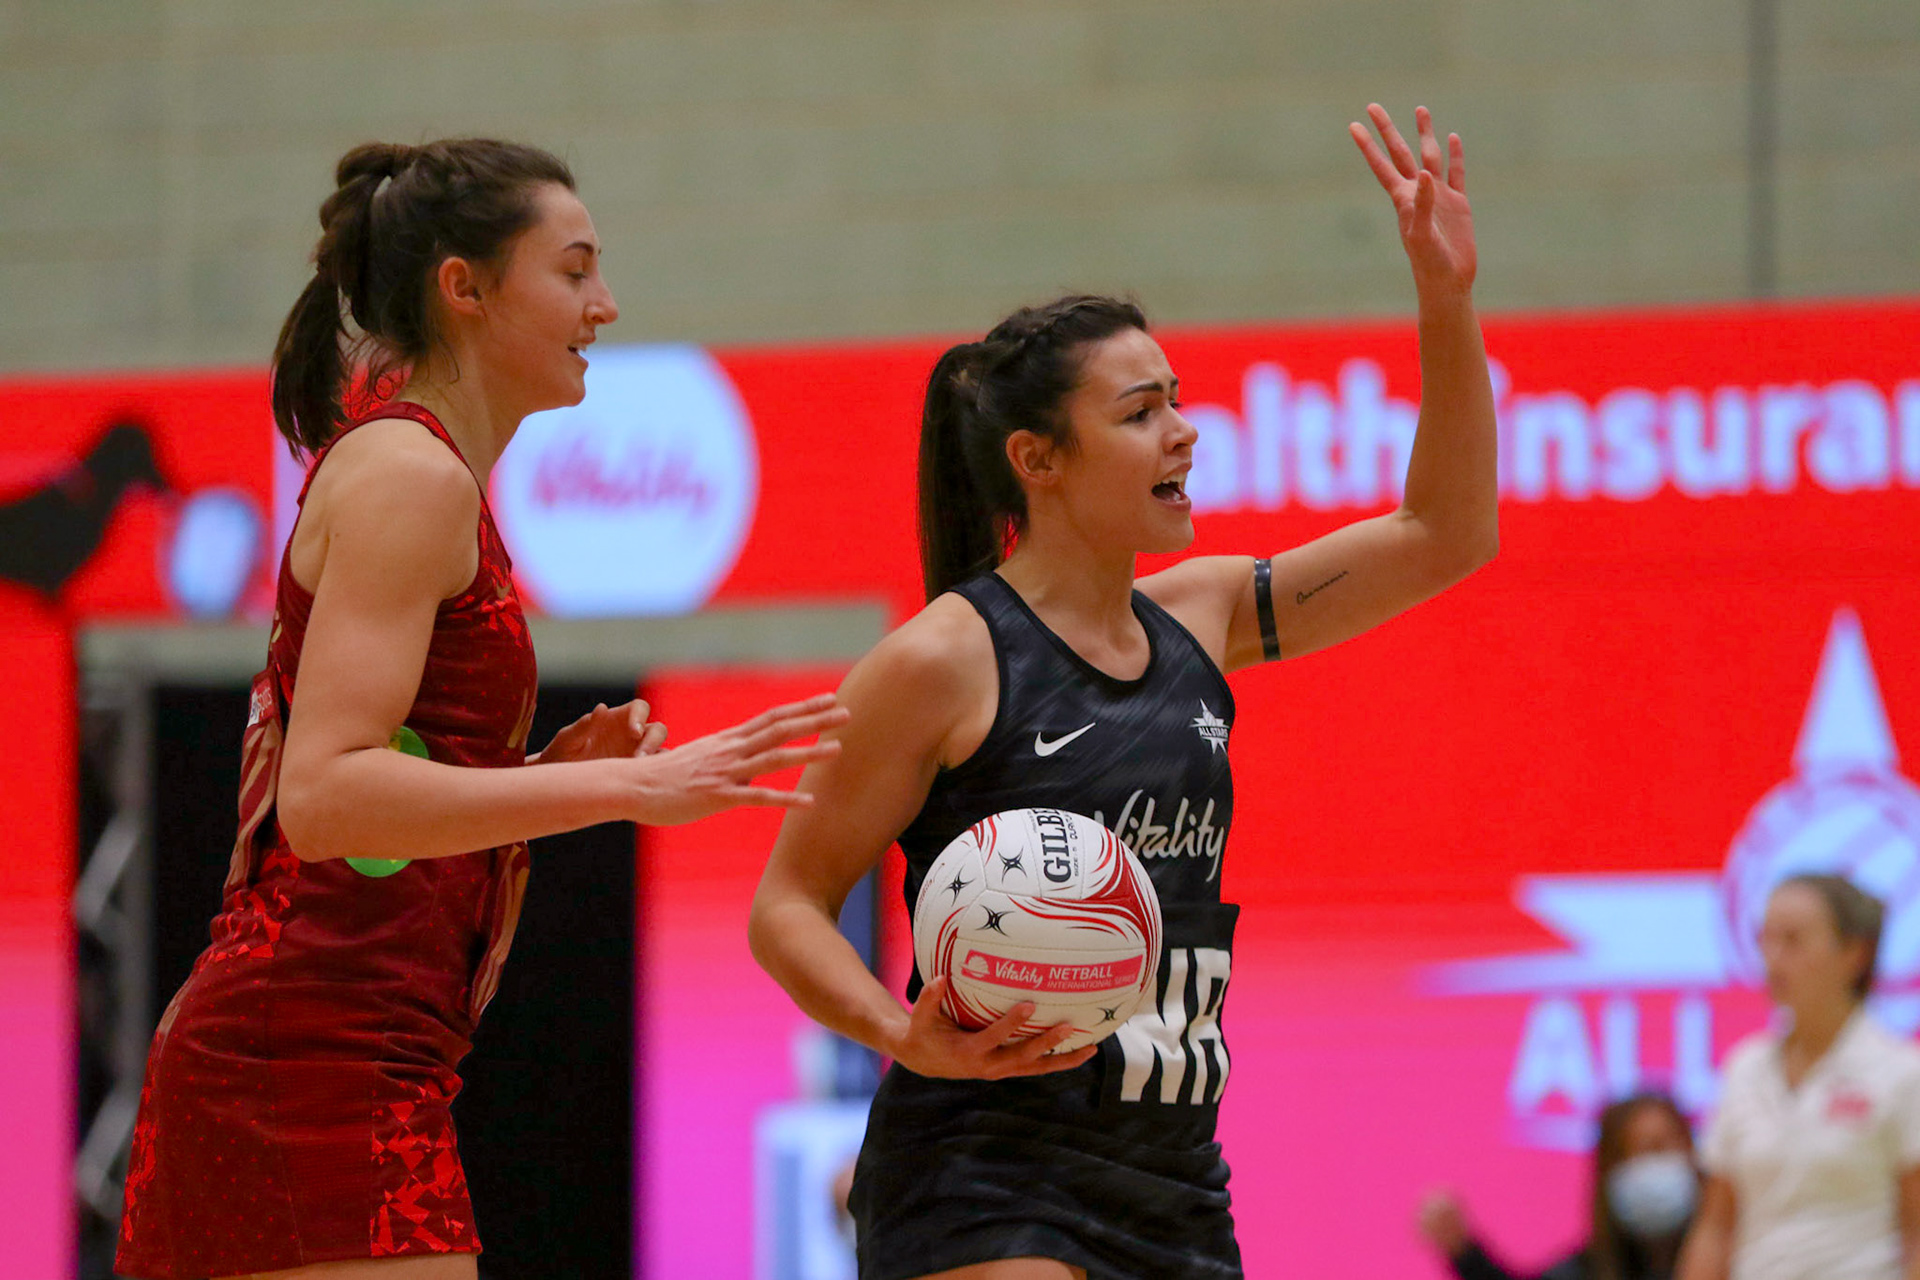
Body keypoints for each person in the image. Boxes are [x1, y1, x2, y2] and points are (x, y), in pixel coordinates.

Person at [749, 103, 1498, 1280]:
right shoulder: (945, 657)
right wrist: (902, 1034)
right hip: (985, 1169)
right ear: (1036, 462)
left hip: (1175, 1173)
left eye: (1177, 401)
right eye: (1140, 413)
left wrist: (1445, 301)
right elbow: (787, 902)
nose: (1183, 434)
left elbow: (1444, 533)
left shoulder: (1202, 613)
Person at [115, 138, 847, 1280]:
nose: (604, 304)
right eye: (574, 271)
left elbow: (372, 779)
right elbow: (324, 797)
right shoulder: (413, 474)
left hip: (362, 1051)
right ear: (464, 288)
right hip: (304, 1055)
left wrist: (524, 778)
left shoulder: (431, 470)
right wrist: (627, 786)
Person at [1677, 875, 1920, 1280]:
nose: (1773, 957)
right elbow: (1716, 1227)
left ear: (1854, 952)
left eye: (1793, 940)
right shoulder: (1744, 1068)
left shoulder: (1902, 1073)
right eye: (1766, 939)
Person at [1420, 1093, 1700, 1280]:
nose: (1651, 1167)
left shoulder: (1737, 1255)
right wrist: (1466, 1253)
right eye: (1634, 1154)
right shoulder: (1590, 1269)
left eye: (1662, 1148)